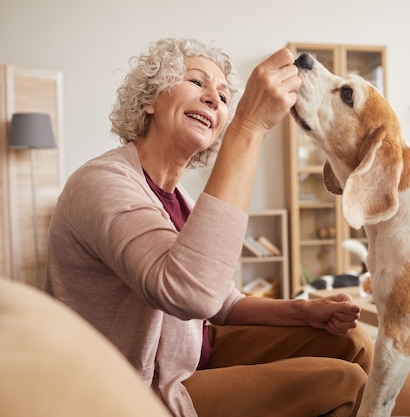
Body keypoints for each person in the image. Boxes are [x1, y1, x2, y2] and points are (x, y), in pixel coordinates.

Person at [45, 38, 372, 417]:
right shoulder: (101, 182)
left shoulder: (178, 196)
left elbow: (223, 302)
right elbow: (189, 293)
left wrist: (304, 311)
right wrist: (248, 125)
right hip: (136, 390)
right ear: (150, 100)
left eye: (223, 96)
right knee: (341, 382)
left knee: (354, 342)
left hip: (188, 355)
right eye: (197, 83)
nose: (214, 100)